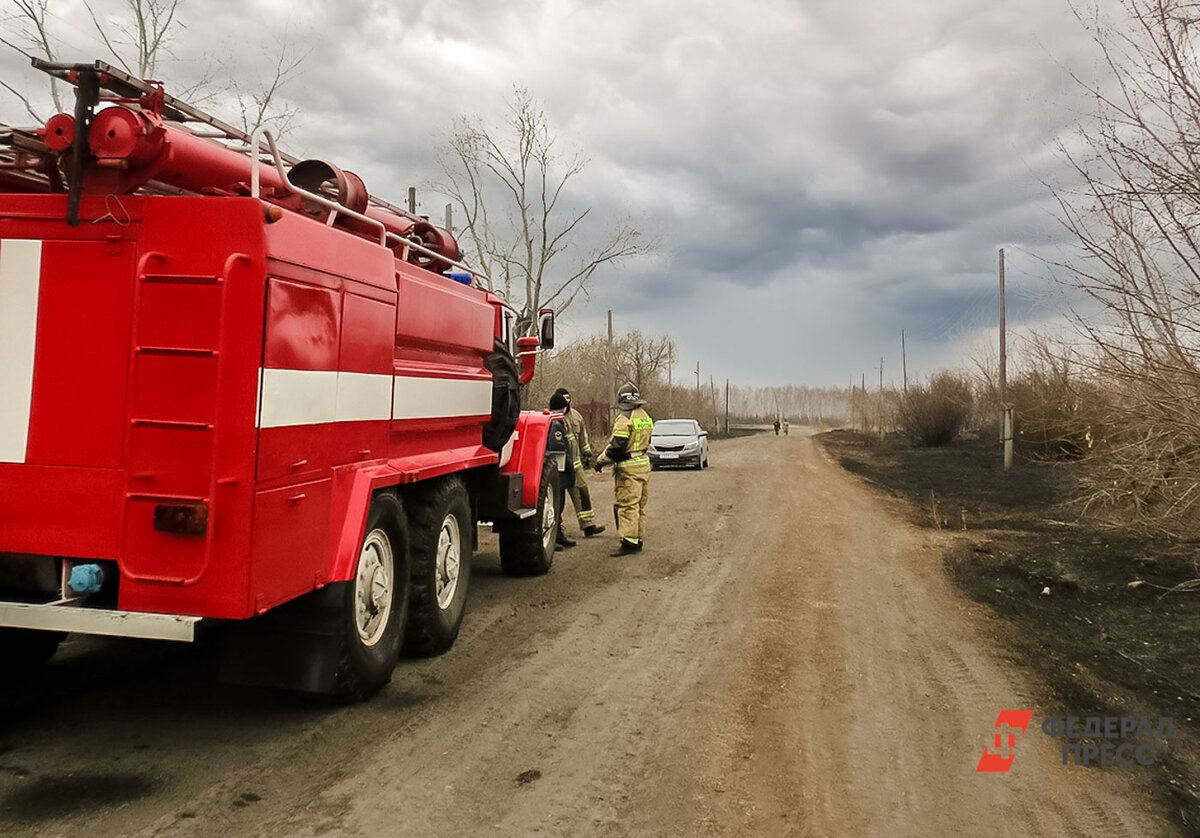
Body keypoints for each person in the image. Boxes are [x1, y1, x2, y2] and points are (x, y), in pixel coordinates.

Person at [594, 383, 654, 556]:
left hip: (628, 469)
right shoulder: (644, 415)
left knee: (627, 505)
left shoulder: (624, 417)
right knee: (639, 506)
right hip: (643, 464)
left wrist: (600, 461)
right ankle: (637, 539)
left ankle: (628, 542)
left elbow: (617, 447)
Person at [550, 388, 606, 540]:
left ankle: (588, 525)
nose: (567, 401)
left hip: (575, 465)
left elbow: (583, 436)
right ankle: (557, 532)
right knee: (557, 501)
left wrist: (587, 452)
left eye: (568, 397)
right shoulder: (552, 418)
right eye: (564, 398)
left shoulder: (576, 416)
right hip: (559, 468)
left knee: (582, 494)